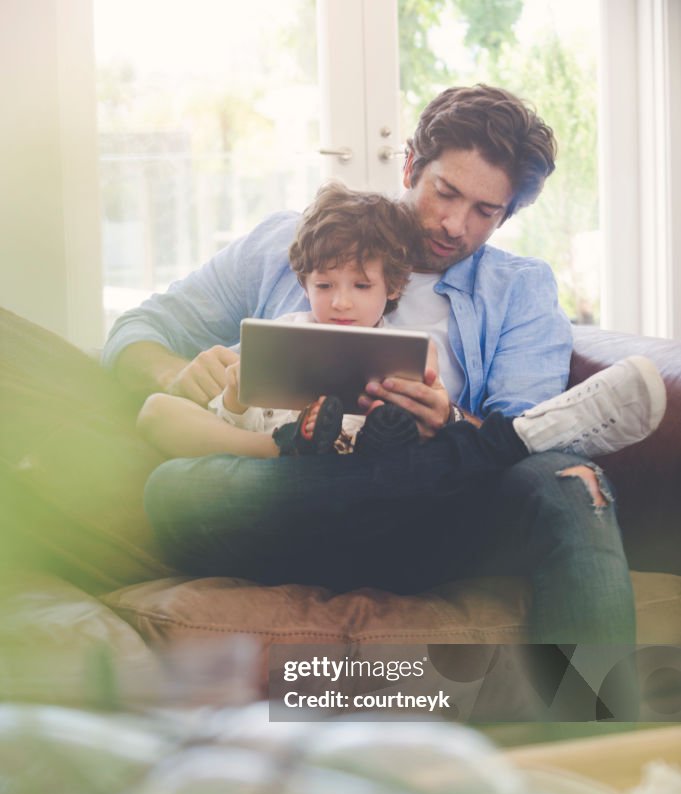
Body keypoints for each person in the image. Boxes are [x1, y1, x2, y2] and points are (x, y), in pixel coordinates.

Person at [103, 84, 648, 715]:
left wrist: (451, 421)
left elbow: (521, 441)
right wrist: (179, 375)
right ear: (411, 165)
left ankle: (606, 751)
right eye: (446, 192)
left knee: (571, 479)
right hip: (288, 504)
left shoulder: (519, 291)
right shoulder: (293, 241)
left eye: (484, 212)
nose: (455, 224)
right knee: (174, 490)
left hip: (432, 525)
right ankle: (406, 465)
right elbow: (135, 333)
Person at [136, 182, 665, 473]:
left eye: (484, 209)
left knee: (408, 458)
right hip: (268, 465)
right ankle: (518, 440)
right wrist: (218, 389)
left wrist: (448, 420)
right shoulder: (283, 317)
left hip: (373, 472)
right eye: (324, 287)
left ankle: (518, 438)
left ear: (393, 287)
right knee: (168, 476)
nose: (340, 302)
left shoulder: (420, 346)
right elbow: (155, 335)